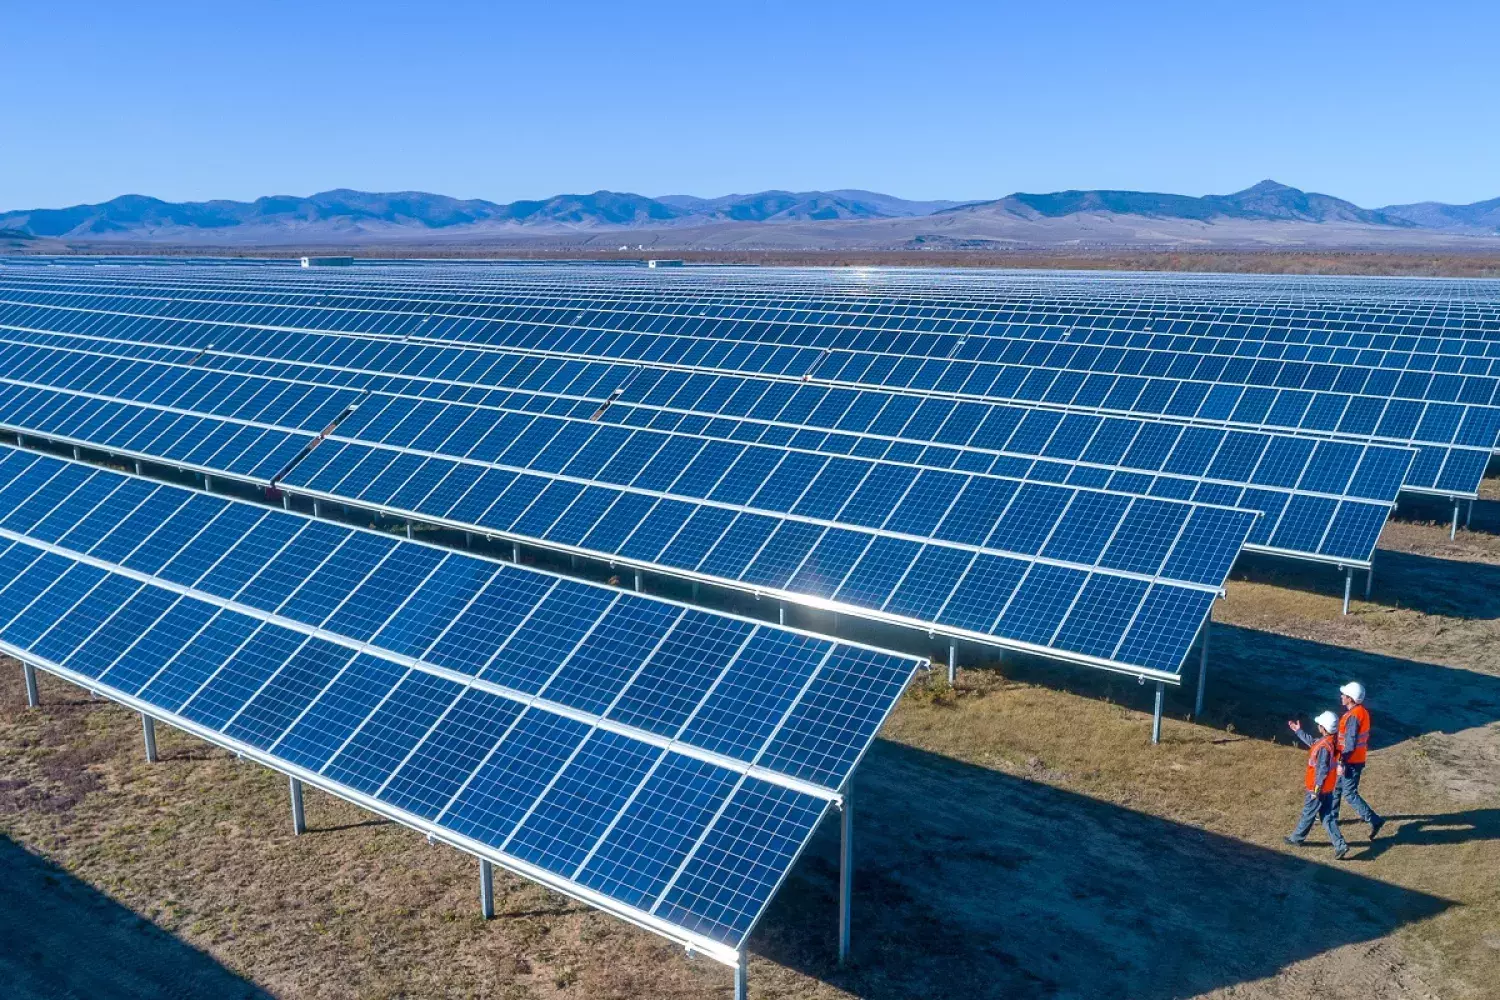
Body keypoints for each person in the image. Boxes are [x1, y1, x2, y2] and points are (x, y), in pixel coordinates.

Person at [1285, 710, 1349, 860]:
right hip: (1328, 788)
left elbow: (1321, 770)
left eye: (1320, 724)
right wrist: (1298, 731)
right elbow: (1312, 742)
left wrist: (1316, 789)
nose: (1318, 726)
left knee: (1308, 813)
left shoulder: (1324, 748)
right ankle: (1340, 845)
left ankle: (1296, 838)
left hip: (1318, 788)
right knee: (1327, 817)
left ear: (1324, 728)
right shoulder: (1330, 742)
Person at [1334, 681, 1385, 840]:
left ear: (1350, 698)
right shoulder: (1361, 712)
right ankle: (1331, 816)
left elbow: (1350, 743)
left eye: (1344, 695)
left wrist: (1342, 761)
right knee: (1336, 787)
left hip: (1350, 761)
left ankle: (1374, 820)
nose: (1341, 697)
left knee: (1349, 793)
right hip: (1356, 759)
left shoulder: (1353, 717)